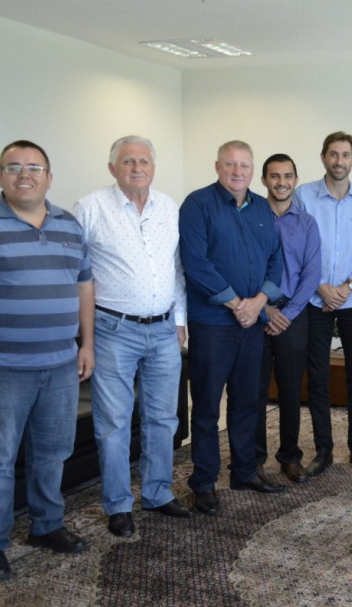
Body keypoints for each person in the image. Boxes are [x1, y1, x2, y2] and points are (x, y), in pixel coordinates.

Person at [0, 140, 94, 582]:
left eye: (34, 167)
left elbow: (84, 287)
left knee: (52, 453)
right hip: (1, 369)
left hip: (61, 366)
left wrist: (87, 345)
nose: (24, 175)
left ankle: (47, 525)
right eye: (13, 167)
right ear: (0, 176)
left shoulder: (68, 224)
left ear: (49, 176)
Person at [73, 136, 192, 538]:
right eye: (128, 161)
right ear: (112, 168)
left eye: (144, 161)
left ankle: (158, 493)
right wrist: (84, 338)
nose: (137, 167)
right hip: (113, 331)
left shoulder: (168, 206)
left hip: (162, 330)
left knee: (163, 418)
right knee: (114, 423)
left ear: (153, 168)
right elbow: (77, 277)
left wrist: (178, 319)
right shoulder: (90, 208)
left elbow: (176, 269)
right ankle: (119, 504)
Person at [179, 140, 285, 516]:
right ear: (217, 167)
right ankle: (204, 482)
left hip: (252, 323)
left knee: (247, 401)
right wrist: (234, 302)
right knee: (207, 405)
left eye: (244, 165)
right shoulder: (197, 204)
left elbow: (276, 260)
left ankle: (244, 472)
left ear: (252, 169)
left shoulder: (260, 208)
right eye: (230, 164)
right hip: (213, 325)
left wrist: (258, 303)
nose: (238, 172)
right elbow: (195, 261)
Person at [294, 132, 352, 477]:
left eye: (345, 155)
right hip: (315, 300)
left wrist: (348, 286)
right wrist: (321, 287)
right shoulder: (303, 196)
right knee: (318, 378)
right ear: (323, 157)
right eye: (333, 154)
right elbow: (295, 247)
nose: (338, 161)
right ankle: (324, 450)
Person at [255, 153, 321, 483]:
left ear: (296, 180)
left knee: (291, 390)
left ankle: (290, 456)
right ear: (264, 180)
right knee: (252, 389)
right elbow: (245, 267)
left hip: (293, 314)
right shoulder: (251, 216)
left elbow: (312, 273)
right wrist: (264, 310)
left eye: (288, 176)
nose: (282, 182)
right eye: (275, 176)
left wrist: (288, 313)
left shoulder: (307, 222)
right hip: (256, 313)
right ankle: (253, 458)